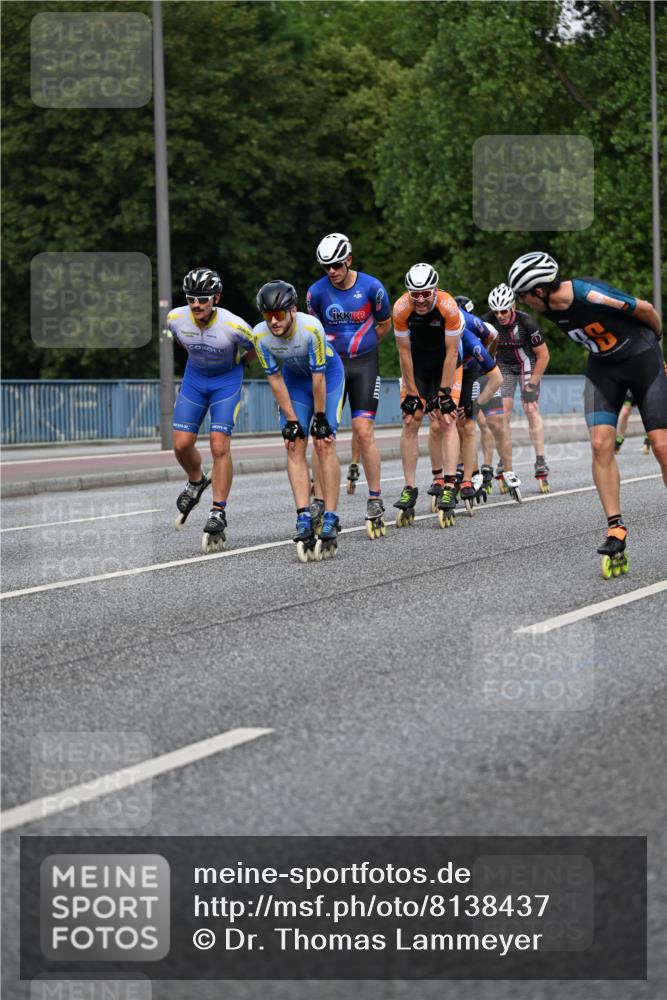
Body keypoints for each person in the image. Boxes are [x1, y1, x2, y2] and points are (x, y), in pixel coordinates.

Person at [508, 251, 667, 576]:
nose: (523, 305)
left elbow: (646, 309)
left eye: (524, 297)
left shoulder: (588, 294)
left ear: (540, 290)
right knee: (599, 444)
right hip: (603, 369)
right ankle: (615, 529)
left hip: (642, 360)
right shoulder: (547, 307)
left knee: (662, 446)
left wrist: (657, 343)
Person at [252, 280, 345, 561]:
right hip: (294, 383)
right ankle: (304, 516)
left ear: (293, 310)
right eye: (267, 315)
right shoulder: (260, 336)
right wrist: (292, 420)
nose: (273, 321)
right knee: (293, 444)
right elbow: (275, 380)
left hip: (326, 379)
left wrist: (319, 418)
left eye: (279, 314)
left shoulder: (311, 328)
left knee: (324, 442)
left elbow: (319, 378)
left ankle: (330, 515)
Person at [307, 233, 391, 535]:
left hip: (364, 364)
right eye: (326, 267)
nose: (332, 271)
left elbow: (384, 324)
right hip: (332, 368)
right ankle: (319, 499)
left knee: (363, 431)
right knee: (322, 435)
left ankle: (375, 497)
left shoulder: (372, 288)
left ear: (349, 260)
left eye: (337, 265)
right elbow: (312, 331)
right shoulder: (315, 293)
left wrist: (365, 345)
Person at [168, 267, 254, 553]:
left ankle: (218, 510)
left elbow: (253, 348)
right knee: (181, 445)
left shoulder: (234, 325)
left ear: (215, 298)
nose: (196, 305)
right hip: (195, 380)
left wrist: (240, 365)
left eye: (202, 299)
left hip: (225, 382)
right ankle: (196, 480)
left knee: (219, 446)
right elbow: (181, 341)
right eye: (191, 298)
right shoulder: (175, 319)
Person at [391, 264, 464, 527]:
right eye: (415, 294)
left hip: (447, 362)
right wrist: (411, 392)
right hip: (418, 364)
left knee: (446, 419)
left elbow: (452, 351)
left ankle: (449, 483)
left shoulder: (448, 306)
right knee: (411, 419)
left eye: (425, 293)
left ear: (435, 289)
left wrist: (444, 393)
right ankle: (410, 487)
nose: (420, 299)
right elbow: (404, 353)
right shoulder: (401, 309)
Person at [483, 282, 551, 493]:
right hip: (503, 366)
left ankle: (540, 460)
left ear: (512, 307)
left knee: (531, 408)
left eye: (504, 310)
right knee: (502, 413)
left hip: (527, 364)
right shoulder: (487, 321)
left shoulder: (526, 322)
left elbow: (544, 355)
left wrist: (532, 385)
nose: (501, 315)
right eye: (497, 312)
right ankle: (504, 460)